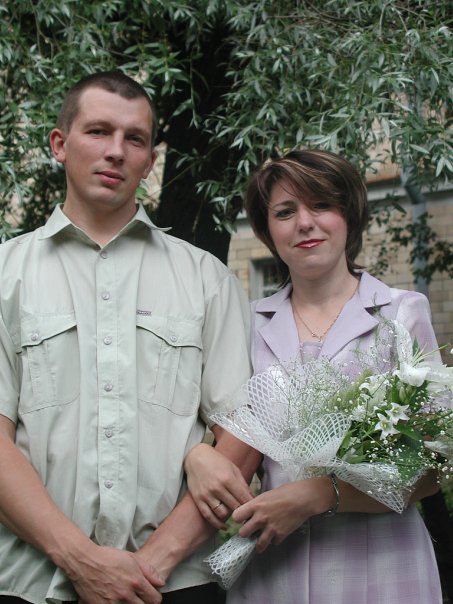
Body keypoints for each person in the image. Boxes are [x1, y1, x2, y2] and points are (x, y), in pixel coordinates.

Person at [0, 70, 261, 604]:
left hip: (174, 584)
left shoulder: (206, 278)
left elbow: (242, 434)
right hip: (32, 584)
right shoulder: (6, 275)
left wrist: (151, 566)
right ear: (59, 144)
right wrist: (79, 559)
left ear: (149, 160)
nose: (116, 151)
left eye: (135, 139)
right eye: (98, 131)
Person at [184, 149, 445, 603]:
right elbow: (218, 429)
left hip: (383, 568)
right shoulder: (246, 324)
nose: (305, 223)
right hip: (271, 570)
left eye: (321, 205)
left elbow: (434, 467)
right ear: (268, 230)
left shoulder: (402, 314)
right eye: (285, 212)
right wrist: (196, 456)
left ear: (349, 215)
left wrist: (321, 494)